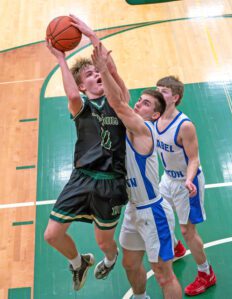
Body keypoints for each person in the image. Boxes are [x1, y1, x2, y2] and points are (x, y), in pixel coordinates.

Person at [44, 16, 128, 291]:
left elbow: (112, 72)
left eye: (97, 72)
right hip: (81, 178)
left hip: (111, 181)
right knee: (52, 235)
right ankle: (79, 262)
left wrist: (94, 39)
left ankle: (110, 258)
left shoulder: (119, 102)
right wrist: (60, 58)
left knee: (105, 241)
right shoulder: (81, 108)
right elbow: (70, 96)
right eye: (89, 75)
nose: (96, 75)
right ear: (82, 86)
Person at [91, 44, 182, 299]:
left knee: (164, 275)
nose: (139, 105)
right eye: (140, 101)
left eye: (145, 104)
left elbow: (119, 103)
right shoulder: (131, 127)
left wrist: (103, 70)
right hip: (133, 209)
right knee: (130, 264)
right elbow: (121, 94)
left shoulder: (145, 131)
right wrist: (101, 53)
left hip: (153, 212)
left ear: (154, 114)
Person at [155, 76, 216, 296]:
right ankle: (175, 247)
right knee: (157, 215)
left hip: (186, 182)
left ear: (175, 97)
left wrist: (189, 179)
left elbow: (194, 158)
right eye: (157, 90)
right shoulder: (155, 117)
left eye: (163, 91)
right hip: (167, 179)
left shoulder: (185, 125)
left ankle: (206, 273)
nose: (158, 94)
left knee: (188, 231)